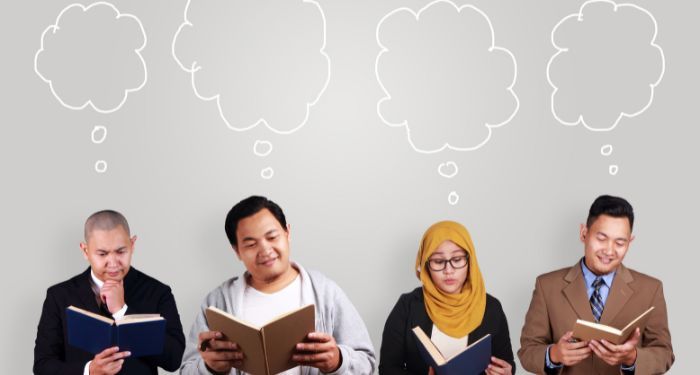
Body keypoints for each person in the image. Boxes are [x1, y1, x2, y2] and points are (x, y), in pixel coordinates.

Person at [180, 196, 376, 375]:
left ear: (287, 233)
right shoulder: (217, 302)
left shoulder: (325, 292)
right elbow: (186, 370)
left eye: (272, 237)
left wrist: (337, 361)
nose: (265, 250)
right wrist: (209, 368)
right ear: (237, 251)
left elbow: (367, 363)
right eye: (250, 244)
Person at [518, 195, 674, 374]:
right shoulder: (547, 286)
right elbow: (528, 350)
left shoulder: (650, 289)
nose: (609, 250)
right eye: (601, 238)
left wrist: (632, 358)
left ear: (630, 242)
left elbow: (665, 353)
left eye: (620, 242)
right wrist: (554, 355)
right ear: (584, 233)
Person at [33, 210, 186, 374]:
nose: (113, 263)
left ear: (132, 245)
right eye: (102, 254)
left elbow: (174, 359)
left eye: (121, 251)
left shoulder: (158, 292)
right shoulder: (59, 296)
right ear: (85, 251)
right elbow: (43, 366)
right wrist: (89, 371)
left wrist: (122, 312)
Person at [379, 220, 515, 375]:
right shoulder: (407, 306)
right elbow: (387, 369)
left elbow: (506, 363)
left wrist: (507, 371)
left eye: (457, 260)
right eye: (438, 261)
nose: (448, 270)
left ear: (470, 261)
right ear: (425, 264)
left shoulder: (491, 307)